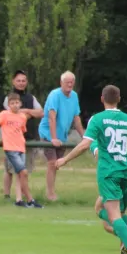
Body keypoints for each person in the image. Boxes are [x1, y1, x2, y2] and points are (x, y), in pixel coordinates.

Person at [55, 84, 127, 254]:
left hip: (108, 173)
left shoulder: (97, 119)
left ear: (102, 99)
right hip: (126, 172)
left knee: (112, 216)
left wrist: (64, 160)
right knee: (110, 211)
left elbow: (84, 145)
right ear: (119, 99)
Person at [0, 93, 43, 208]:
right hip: (10, 148)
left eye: (16, 103)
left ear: (20, 104)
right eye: (12, 103)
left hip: (21, 148)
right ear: (8, 105)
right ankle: (30, 200)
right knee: (24, 172)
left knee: (19, 174)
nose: (15, 105)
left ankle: (19, 199)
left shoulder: (22, 117)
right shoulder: (4, 114)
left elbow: (20, 131)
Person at [38, 70, 84, 201]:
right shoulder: (55, 95)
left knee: (57, 164)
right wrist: (53, 138)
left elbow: (76, 119)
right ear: (61, 83)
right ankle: (50, 194)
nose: (69, 85)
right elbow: (52, 117)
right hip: (48, 133)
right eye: (67, 82)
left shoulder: (74, 96)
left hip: (62, 135)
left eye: (71, 83)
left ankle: (51, 190)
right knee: (52, 162)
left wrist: (85, 137)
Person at [1, 70, 44, 200]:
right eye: (18, 80)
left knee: (25, 170)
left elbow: (41, 112)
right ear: (13, 82)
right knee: (9, 169)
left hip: (29, 139)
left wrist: (26, 111)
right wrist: (28, 114)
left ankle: (21, 196)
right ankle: (7, 196)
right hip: (12, 140)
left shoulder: (31, 98)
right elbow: (11, 114)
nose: (21, 83)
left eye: (23, 80)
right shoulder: (8, 98)